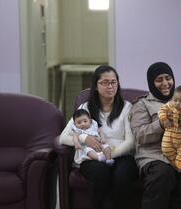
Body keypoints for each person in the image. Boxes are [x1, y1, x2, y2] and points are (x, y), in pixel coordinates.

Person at [59, 65, 138, 209]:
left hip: (121, 155)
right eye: (105, 82)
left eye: (113, 82)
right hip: (92, 157)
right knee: (99, 172)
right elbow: (63, 138)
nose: (110, 86)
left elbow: (131, 142)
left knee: (123, 176)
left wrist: (109, 154)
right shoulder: (85, 108)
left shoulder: (127, 107)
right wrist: (84, 139)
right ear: (96, 86)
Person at [131, 62, 181, 209]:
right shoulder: (142, 104)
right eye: (159, 80)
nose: (165, 83)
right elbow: (139, 136)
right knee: (162, 174)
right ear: (151, 82)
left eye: (168, 78)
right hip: (154, 154)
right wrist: (161, 124)